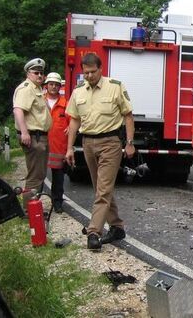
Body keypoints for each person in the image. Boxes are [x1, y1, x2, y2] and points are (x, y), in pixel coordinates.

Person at [65, 53, 135, 251]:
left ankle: (94, 231)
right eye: (85, 72)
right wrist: (70, 147)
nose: (88, 76)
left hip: (110, 143)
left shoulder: (115, 87)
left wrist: (129, 142)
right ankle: (117, 227)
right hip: (88, 143)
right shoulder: (79, 92)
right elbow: (74, 121)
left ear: (101, 69)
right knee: (100, 187)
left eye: (92, 72)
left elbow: (128, 116)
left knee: (103, 189)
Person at [13, 58, 52, 212]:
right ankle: (30, 211)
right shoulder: (27, 88)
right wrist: (24, 132)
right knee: (35, 175)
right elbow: (18, 110)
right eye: (36, 72)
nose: (40, 75)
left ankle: (32, 207)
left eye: (42, 73)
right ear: (28, 73)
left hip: (39, 136)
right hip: (33, 136)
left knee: (39, 173)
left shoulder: (36, 89)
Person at [44, 72, 69, 213]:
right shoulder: (40, 101)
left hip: (59, 147)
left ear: (60, 87)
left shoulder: (65, 104)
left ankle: (57, 203)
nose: (53, 87)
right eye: (51, 84)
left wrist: (70, 127)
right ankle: (34, 204)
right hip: (41, 144)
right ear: (46, 86)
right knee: (38, 176)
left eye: (56, 84)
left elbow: (74, 121)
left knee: (58, 178)